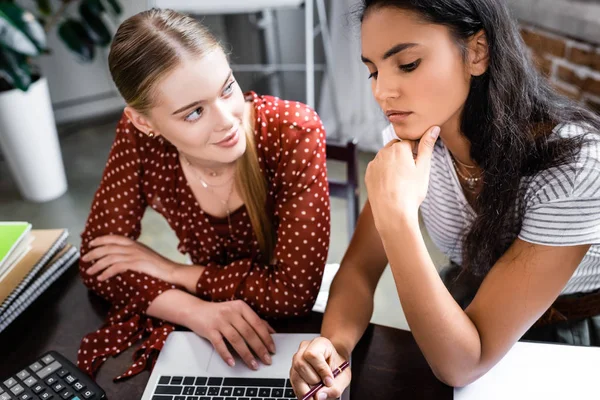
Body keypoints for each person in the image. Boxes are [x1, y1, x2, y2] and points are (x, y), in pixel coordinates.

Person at [290, 0, 600, 397]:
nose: (382, 91)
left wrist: (397, 220)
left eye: (407, 64)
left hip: (569, 336)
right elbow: (359, 270)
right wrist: (333, 349)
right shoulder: (412, 142)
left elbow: (462, 364)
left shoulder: (574, 168)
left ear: (477, 51)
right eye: (372, 71)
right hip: (466, 308)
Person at [77, 8, 330, 380]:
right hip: (209, 330)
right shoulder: (138, 139)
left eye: (227, 88)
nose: (228, 120)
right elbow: (98, 259)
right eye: (194, 113)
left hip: (289, 335)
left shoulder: (292, 131)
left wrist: (174, 271)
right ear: (144, 122)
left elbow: (292, 295)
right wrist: (194, 311)